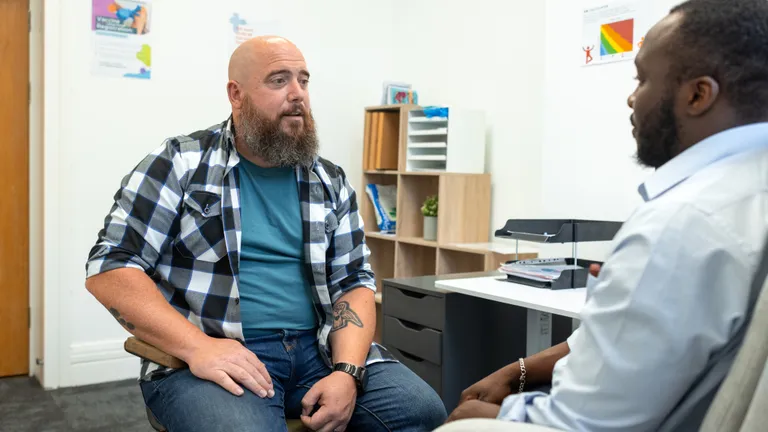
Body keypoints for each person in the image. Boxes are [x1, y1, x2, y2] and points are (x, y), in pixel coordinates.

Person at [85, 36, 446, 432]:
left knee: (421, 411)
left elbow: (354, 282)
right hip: (213, 350)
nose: (298, 95)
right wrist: (198, 347)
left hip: (318, 350)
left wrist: (346, 372)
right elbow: (111, 267)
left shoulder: (329, 179)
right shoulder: (180, 163)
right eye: (278, 81)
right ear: (236, 94)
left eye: (303, 81)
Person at [441, 0, 768, 430]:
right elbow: (633, 340)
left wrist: (491, 413)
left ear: (697, 94)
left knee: (462, 419)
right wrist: (518, 371)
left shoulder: (678, 224)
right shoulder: (747, 191)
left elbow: (580, 424)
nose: (632, 97)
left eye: (642, 79)